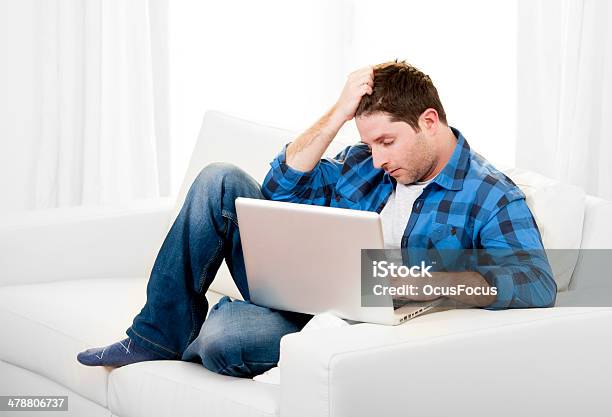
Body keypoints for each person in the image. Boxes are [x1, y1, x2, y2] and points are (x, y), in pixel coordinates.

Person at [77, 59, 556, 377]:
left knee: (225, 341)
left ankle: (200, 326)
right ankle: (158, 334)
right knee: (220, 179)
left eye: (386, 142)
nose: (375, 159)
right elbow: (281, 188)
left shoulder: (491, 195)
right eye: (368, 143)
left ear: (429, 121)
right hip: (304, 291)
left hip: (356, 327)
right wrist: (337, 113)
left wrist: (423, 282)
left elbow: (536, 282)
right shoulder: (365, 165)